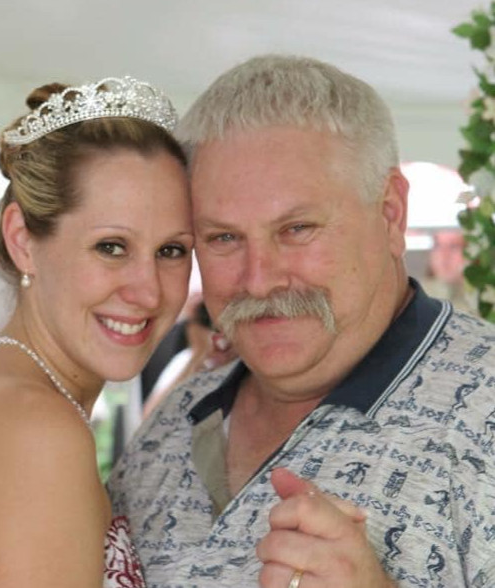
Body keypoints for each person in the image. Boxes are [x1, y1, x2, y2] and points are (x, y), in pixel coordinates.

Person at [108, 55, 495, 587]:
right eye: (224, 237)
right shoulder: (175, 420)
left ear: (390, 213)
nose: (259, 280)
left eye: (296, 229)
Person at [0, 75, 193, 588]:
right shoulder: (34, 432)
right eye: (111, 247)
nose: (148, 292)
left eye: (171, 250)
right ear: (22, 241)